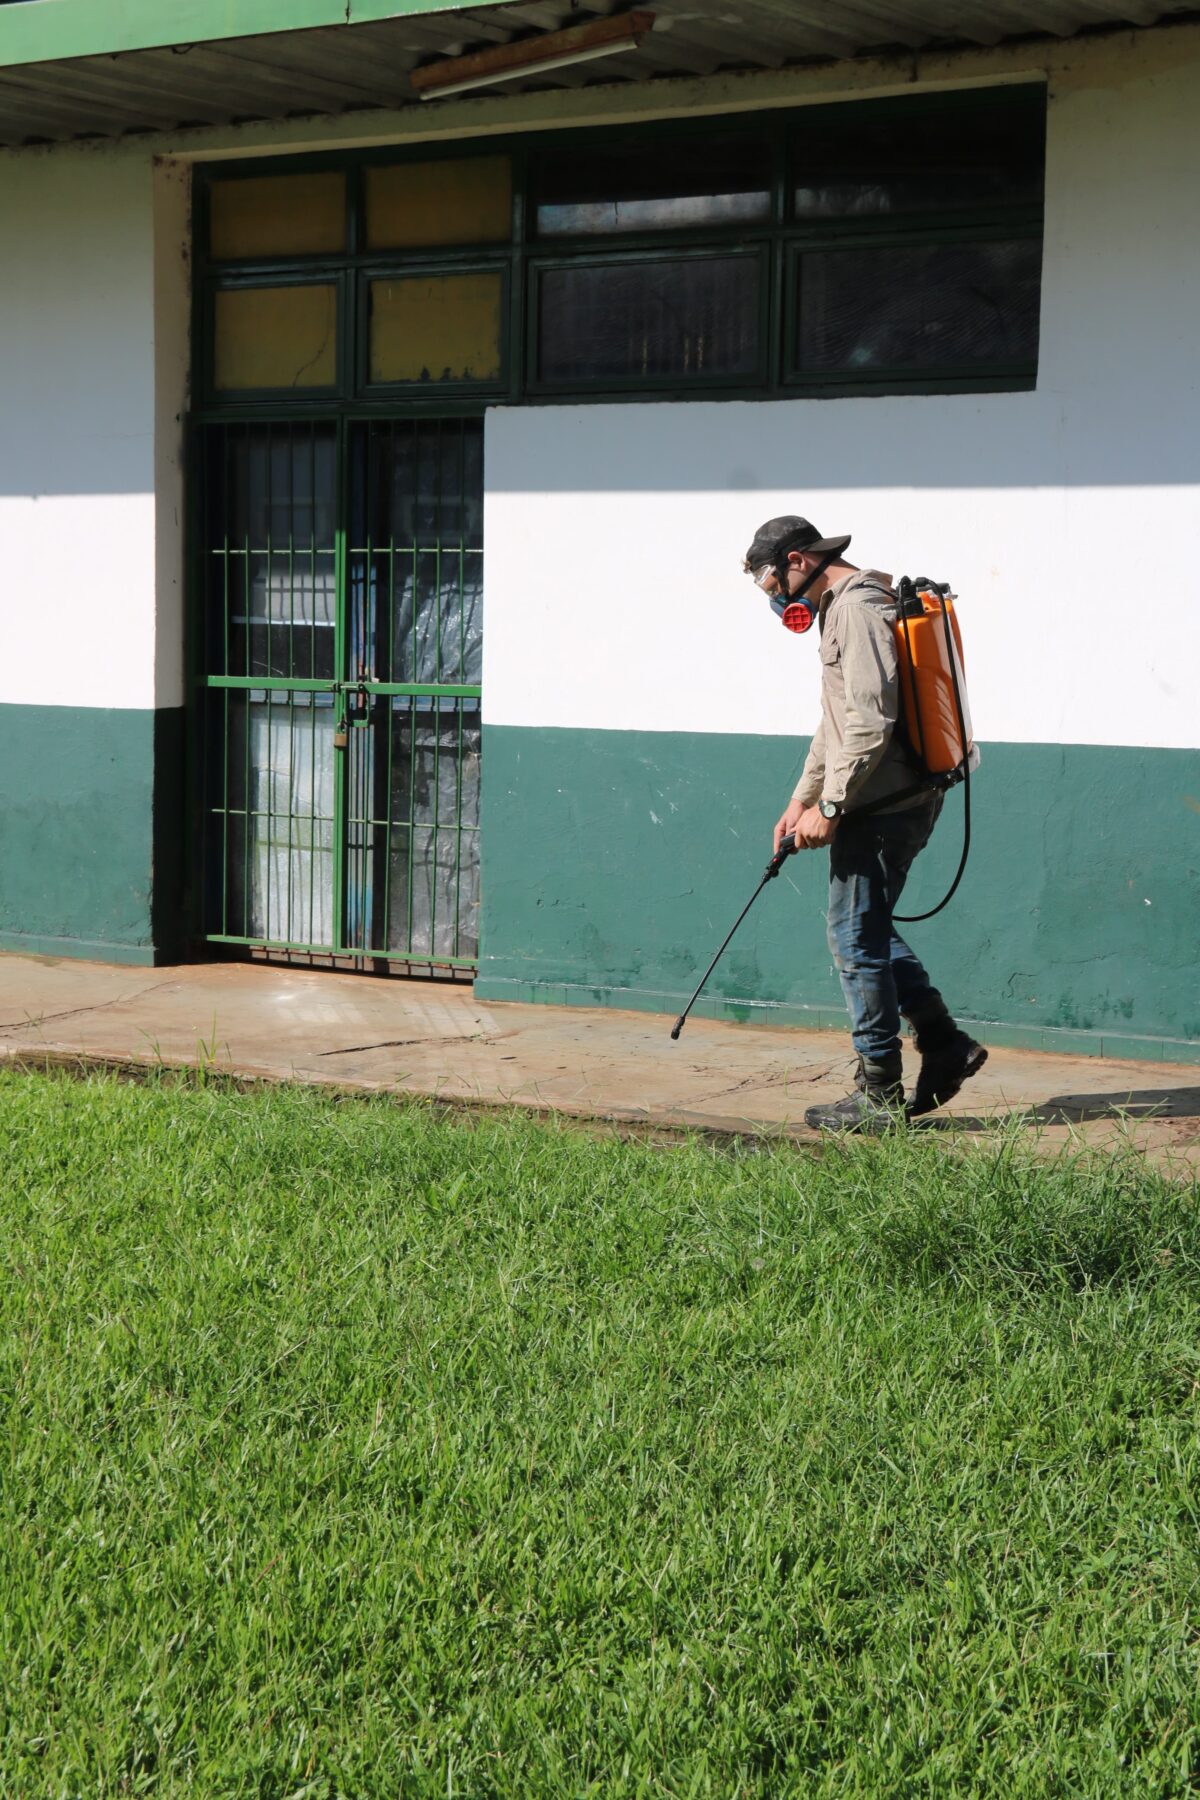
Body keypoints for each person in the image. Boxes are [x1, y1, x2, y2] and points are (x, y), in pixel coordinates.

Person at [743, 515, 987, 1131]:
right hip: (881, 800)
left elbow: (871, 723)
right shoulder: (843, 607)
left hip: (880, 807)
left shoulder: (855, 610)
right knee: (868, 929)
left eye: (772, 580)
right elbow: (836, 720)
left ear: (799, 560)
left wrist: (833, 806)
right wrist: (801, 799)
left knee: (854, 939)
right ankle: (943, 1041)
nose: (774, 596)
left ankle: (878, 1092)